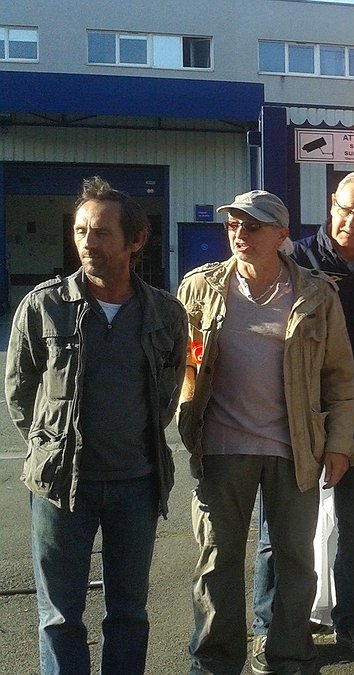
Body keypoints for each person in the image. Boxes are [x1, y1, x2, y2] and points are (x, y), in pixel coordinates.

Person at [5, 177, 188, 674]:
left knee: (128, 612)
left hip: (136, 485)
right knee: (60, 616)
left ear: (135, 240)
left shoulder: (165, 313)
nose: (87, 242)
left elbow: (168, 391)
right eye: (81, 230)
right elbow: (20, 392)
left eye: (102, 232)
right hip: (62, 488)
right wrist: (51, 448)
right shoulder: (44, 306)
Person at [176, 190, 354, 675]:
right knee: (217, 561)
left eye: (253, 226)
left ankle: (289, 656)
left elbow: (340, 380)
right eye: (233, 224)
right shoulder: (200, 288)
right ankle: (214, 662)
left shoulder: (316, 294)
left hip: (294, 449)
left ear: (281, 234)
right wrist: (183, 411)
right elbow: (177, 363)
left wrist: (339, 444)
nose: (240, 234)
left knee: (295, 562)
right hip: (221, 448)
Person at [249, 172, 354, 663]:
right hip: (295, 414)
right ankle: (271, 626)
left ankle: (351, 620)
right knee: (279, 528)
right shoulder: (296, 261)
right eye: (344, 208)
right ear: (331, 204)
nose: (350, 221)